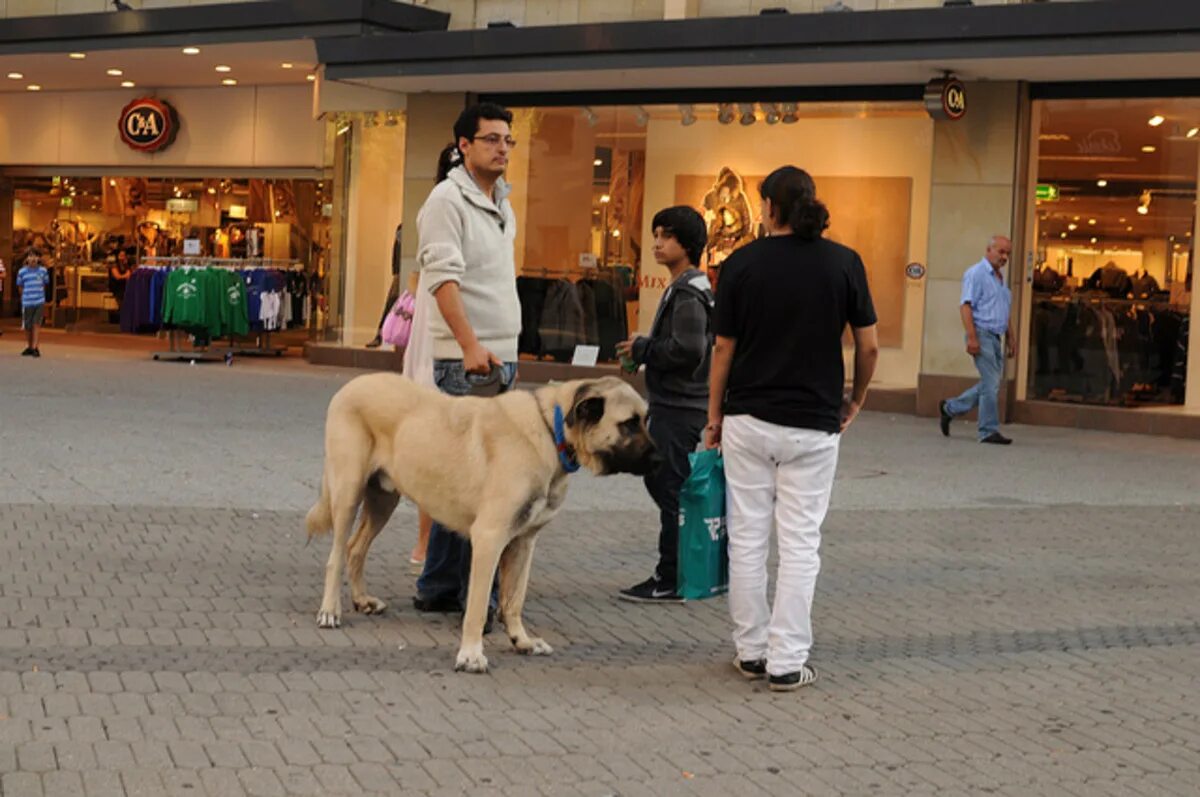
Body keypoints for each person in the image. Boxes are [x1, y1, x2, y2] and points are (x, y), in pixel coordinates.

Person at [706, 166, 878, 692]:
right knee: (802, 543)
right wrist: (855, 401)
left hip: (749, 420)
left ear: (770, 207)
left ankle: (751, 650)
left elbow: (723, 350)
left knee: (748, 538)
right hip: (814, 424)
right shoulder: (845, 263)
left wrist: (714, 416)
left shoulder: (741, 264)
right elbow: (868, 347)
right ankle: (787, 660)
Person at [413, 102, 523, 628]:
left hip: (502, 354)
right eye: (491, 139)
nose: (502, 148)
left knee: (477, 481)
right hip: (468, 361)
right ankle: (455, 590)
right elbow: (442, 281)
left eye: (508, 140)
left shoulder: (501, 201)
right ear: (464, 146)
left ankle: (440, 586)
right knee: (472, 483)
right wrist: (470, 346)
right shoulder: (445, 200)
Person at [616, 206, 712, 603]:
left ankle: (671, 577)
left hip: (679, 405)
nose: (657, 243)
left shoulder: (688, 290)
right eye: (656, 234)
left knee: (668, 486)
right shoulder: (691, 285)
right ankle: (679, 572)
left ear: (686, 244)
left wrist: (644, 348)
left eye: (666, 236)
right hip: (680, 403)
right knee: (665, 482)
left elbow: (689, 349)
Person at [938, 235, 1015, 445]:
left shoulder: (1000, 279)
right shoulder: (976, 274)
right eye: (1001, 252)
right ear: (989, 250)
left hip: (996, 336)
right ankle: (987, 430)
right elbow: (965, 306)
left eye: (1007, 253)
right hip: (981, 332)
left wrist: (1011, 337)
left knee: (991, 384)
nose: (1004, 257)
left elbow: (1004, 311)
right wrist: (972, 337)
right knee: (991, 384)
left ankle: (950, 408)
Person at [366, 225, 404, 349]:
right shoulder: (403, 228)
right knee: (392, 304)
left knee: (396, 305)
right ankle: (380, 335)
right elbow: (396, 251)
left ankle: (381, 336)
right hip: (401, 273)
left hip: (404, 272)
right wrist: (396, 272)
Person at [17, 253, 51, 358]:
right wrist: (23, 297)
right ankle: (29, 346)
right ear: (27, 259)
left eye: (35, 257)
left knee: (36, 324)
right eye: (30, 257)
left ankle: (35, 347)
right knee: (28, 325)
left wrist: (42, 298)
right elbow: (20, 286)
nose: (33, 259)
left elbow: (45, 284)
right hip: (27, 301)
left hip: (39, 301)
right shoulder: (22, 272)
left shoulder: (43, 271)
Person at [108, 248, 133, 323]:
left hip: (124, 287)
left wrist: (126, 266)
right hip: (117, 288)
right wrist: (125, 276)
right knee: (122, 303)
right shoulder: (114, 265)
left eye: (124, 256)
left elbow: (129, 273)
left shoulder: (126, 265)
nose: (122, 257)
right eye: (121, 256)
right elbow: (117, 276)